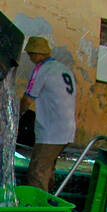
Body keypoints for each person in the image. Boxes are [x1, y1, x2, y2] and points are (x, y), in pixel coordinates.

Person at [21, 36, 76, 191]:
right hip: (67, 129)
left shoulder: (41, 69)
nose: (30, 58)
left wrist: (16, 115)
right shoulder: (64, 69)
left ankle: (37, 210)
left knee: (37, 172)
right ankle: (49, 206)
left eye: (30, 55)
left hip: (50, 131)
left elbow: (27, 99)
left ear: (36, 54)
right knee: (48, 170)